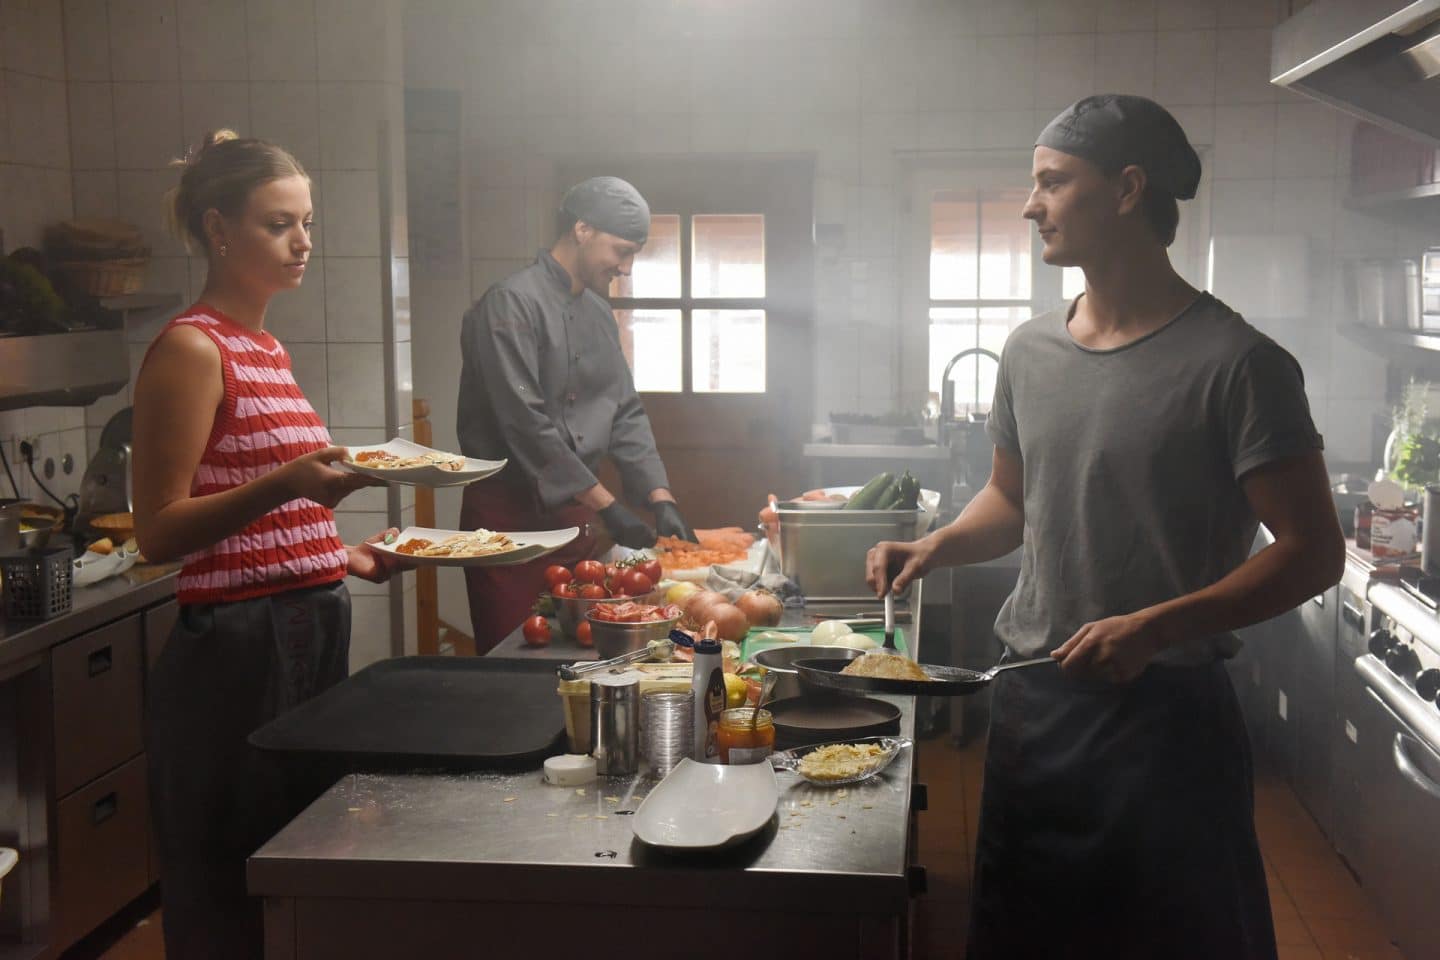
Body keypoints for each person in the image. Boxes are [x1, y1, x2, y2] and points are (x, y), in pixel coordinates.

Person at [866, 95, 1345, 960]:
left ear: (1126, 190)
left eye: (1052, 182)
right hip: (1036, 706)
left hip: (1166, 724)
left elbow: (1315, 552)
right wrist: (937, 546)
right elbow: (1012, 500)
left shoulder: (1241, 365)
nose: (1030, 204)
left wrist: (1159, 626)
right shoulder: (1028, 351)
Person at [133, 130, 404, 959]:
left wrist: (344, 555)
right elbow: (160, 530)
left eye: (308, 223)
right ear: (219, 229)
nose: (304, 243)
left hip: (304, 621)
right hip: (238, 649)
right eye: (278, 224)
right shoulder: (191, 347)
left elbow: (261, 516)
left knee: (300, 848)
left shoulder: (266, 348)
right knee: (231, 869)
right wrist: (289, 482)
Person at [456, 176, 696, 651]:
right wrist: (608, 505)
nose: (625, 268)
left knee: (577, 649)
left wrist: (658, 493)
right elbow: (524, 422)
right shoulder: (510, 303)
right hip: (508, 523)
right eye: (621, 251)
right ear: (583, 230)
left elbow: (624, 408)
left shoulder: (598, 312)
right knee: (515, 655)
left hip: (574, 520)